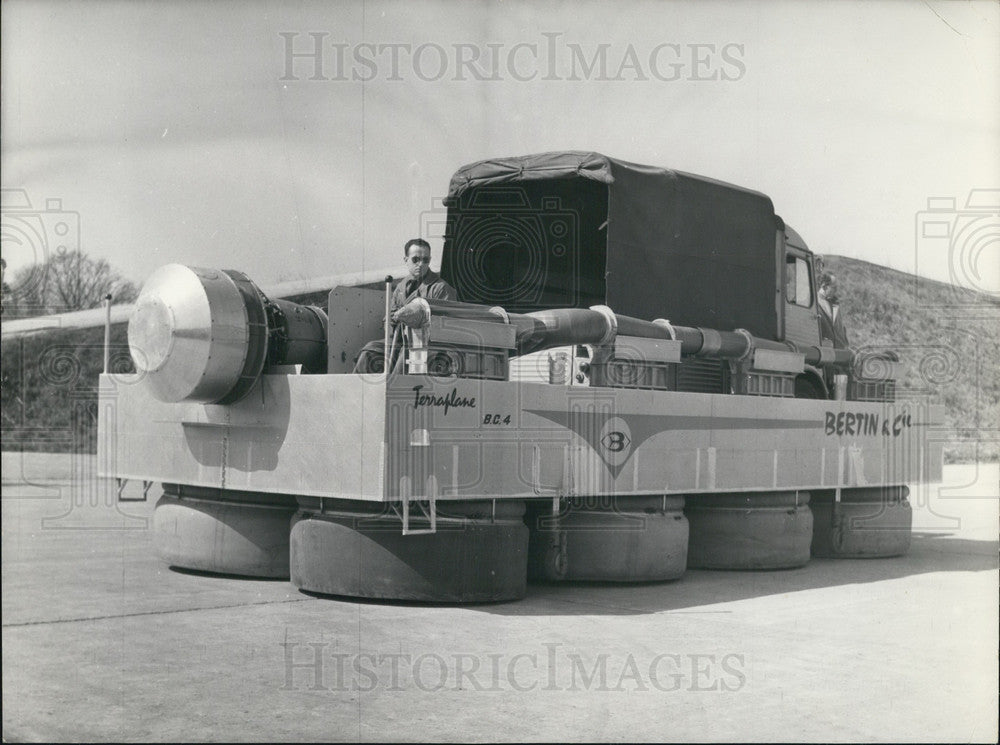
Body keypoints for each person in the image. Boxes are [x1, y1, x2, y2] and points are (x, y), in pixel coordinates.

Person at [354, 239, 456, 373]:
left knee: (407, 353)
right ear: (405, 259)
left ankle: (394, 390)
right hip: (399, 340)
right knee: (370, 350)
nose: (421, 264)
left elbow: (447, 326)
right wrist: (390, 326)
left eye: (425, 260)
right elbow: (390, 316)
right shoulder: (401, 287)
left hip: (428, 344)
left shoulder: (441, 289)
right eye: (416, 259)